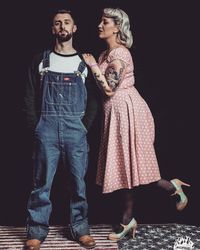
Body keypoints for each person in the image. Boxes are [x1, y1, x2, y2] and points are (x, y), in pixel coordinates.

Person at [83, 7, 190, 241]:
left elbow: (110, 89)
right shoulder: (104, 55)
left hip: (129, 112)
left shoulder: (120, 54)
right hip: (115, 114)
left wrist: (91, 66)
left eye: (105, 22)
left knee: (136, 168)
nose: (99, 26)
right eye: (100, 21)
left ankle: (171, 188)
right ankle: (127, 220)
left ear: (117, 27)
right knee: (125, 170)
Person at [24, 9, 98, 249]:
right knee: (41, 183)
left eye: (67, 22)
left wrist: (84, 126)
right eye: (58, 23)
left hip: (75, 128)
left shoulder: (84, 62)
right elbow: (29, 96)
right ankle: (36, 231)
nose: (62, 26)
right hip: (46, 127)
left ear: (74, 28)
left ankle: (80, 229)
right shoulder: (41, 60)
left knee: (78, 182)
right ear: (53, 29)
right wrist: (36, 126)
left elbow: (95, 100)